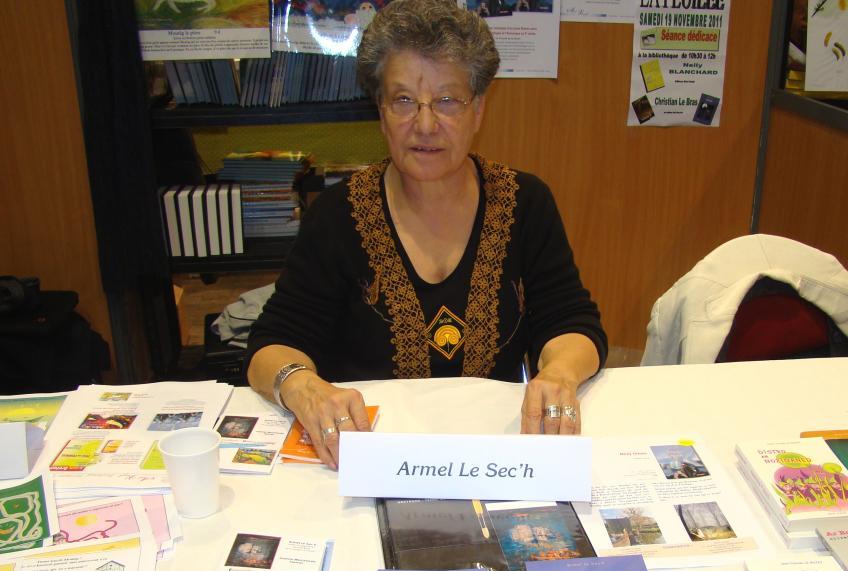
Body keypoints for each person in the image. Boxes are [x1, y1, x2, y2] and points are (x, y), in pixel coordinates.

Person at [246, 0, 607, 468]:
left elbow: (572, 322)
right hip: (370, 458)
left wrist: (560, 372)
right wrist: (301, 385)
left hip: (494, 454)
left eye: (447, 101)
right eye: (403, 101)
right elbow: (271, 344)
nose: (425, 124)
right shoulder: (337, 215)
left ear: (478, 109)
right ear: (381, 113)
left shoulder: (525, 203)